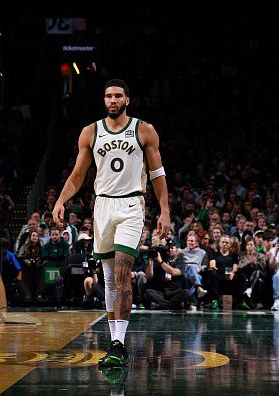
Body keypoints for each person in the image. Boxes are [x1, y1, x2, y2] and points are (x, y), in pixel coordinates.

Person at [53, 79, 170, 368]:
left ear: (127, 100)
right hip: (102, 204)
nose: (113, 100)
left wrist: (164, 210)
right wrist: (60, 200)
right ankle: (114, 340)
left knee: (121, 273)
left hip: (131, 204)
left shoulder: (143, 129)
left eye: (118, 95)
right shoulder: (90, 132)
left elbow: (157, 174)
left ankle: (118, 344)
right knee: (108, 280)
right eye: (108, 96)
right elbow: (78, 175)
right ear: (104, 100)